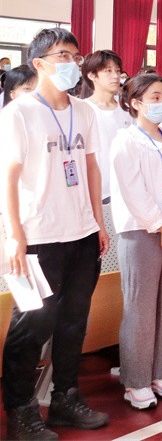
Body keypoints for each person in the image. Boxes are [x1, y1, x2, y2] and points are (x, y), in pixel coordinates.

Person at [1, 29, 110, 438]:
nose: (72, 63)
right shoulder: (20, 112)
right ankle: (20, 412)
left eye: (75, 56)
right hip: (38, 238)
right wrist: (15, 235)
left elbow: (91, 167)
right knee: (31, 326)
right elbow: (8, 177)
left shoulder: (84, 111)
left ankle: (65, 397)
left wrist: (98, 222)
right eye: (62, 55)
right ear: (39, 63)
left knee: (73, 322)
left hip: (81, 233)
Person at [110, 74, 162, 410]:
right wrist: (160, 226)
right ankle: (136, 380)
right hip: (142, 230)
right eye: (154, 98)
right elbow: (133, 191)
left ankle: (159, 372)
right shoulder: (126, 141)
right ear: (135, 103)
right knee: (141, 308)